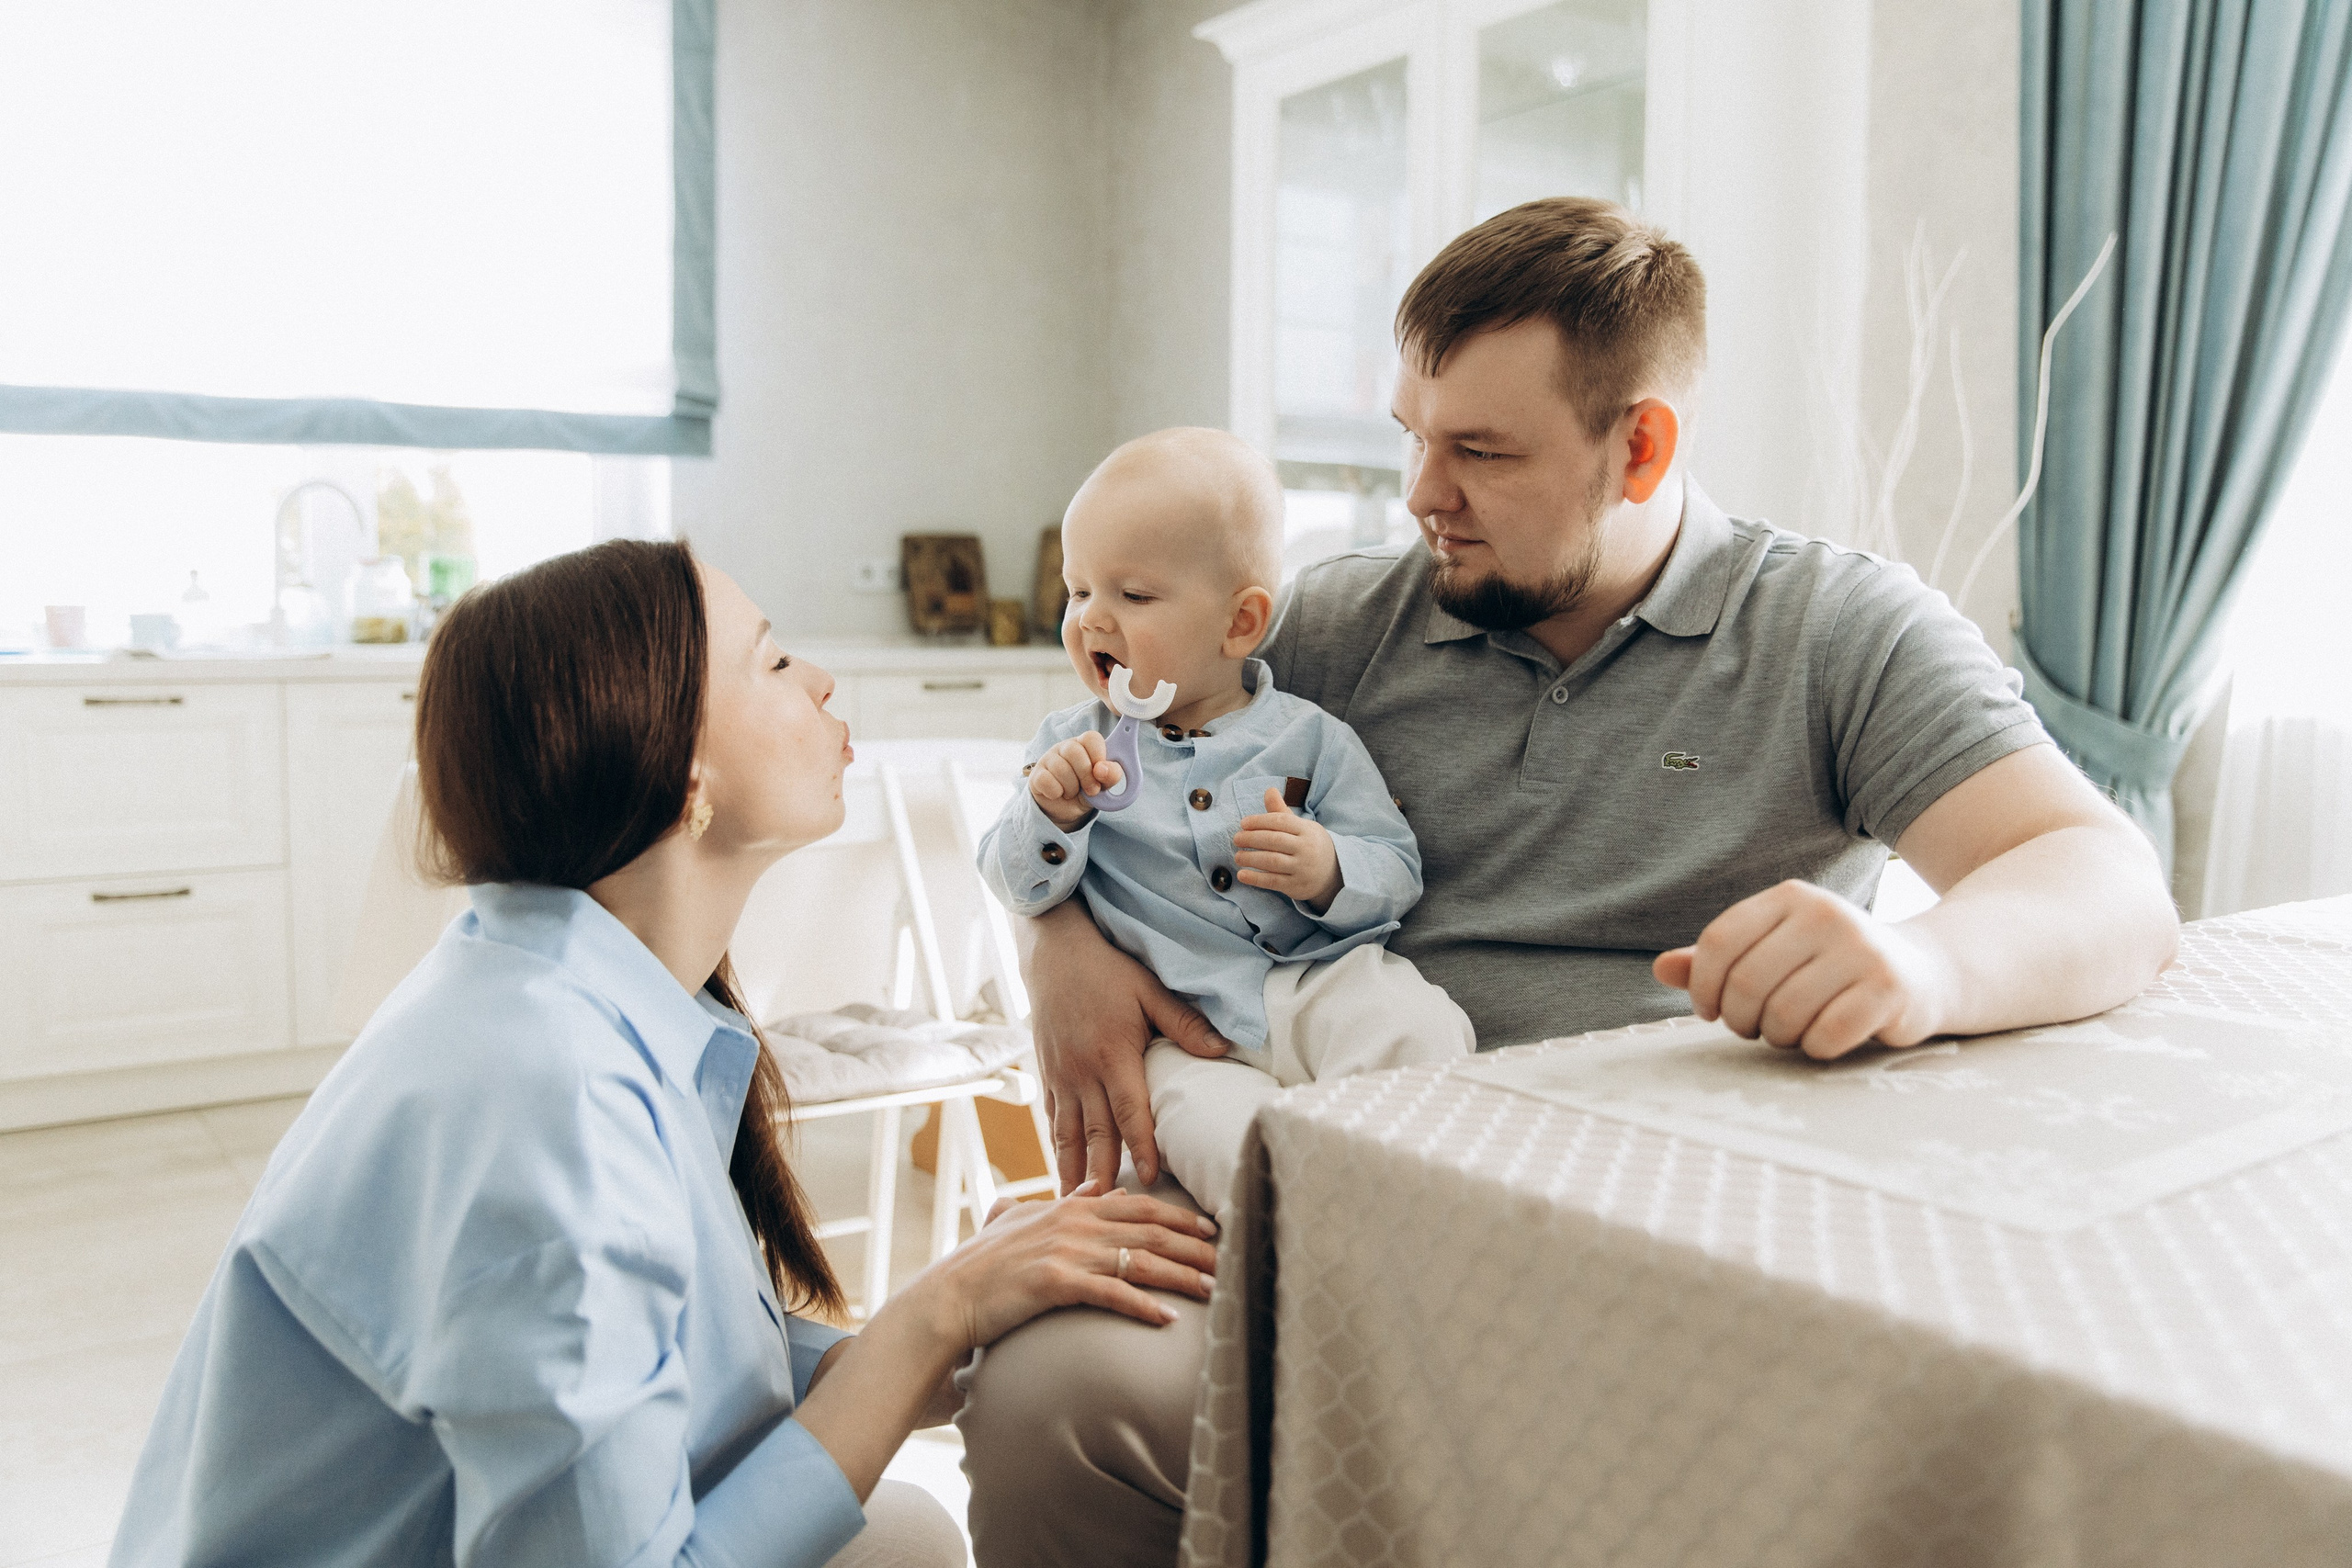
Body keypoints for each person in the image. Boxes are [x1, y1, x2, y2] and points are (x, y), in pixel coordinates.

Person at [954, 197, 2180, 1566]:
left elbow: (2101, 876)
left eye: (1480, 452)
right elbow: (1105, 775)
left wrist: (1924, 962)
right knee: (1053, 1385)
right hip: (1340, 1193)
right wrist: (1058, 939)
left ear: (1640, 446)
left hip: (1661, 1234)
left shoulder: (1835, 629)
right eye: (1413, 436)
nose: (1422, 494)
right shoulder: (1334, 628)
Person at [108, 539, 1220, 1568]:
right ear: (685, 779)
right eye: (773, 662)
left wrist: (956, 1319)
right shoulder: (545, 1106)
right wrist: (941, 1314)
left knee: (902, 1535)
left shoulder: (576, 991)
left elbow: (692, 1363)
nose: (821, 681)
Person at [981, 427, 1475, 1217]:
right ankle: (1318, 1231)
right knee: (1225, 1145)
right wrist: (1049, 814)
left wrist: (1329, 867)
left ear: (1240, 624)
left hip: (1318, 983)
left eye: (1132, 595)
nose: (1091, 620)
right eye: (1078, 592)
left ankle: (1406, 1206)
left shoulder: (1312, 737)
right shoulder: (1068, 748)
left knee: (1420, 1030)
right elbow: (1010, 878)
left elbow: (1396, 865)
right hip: (1183, 1036)